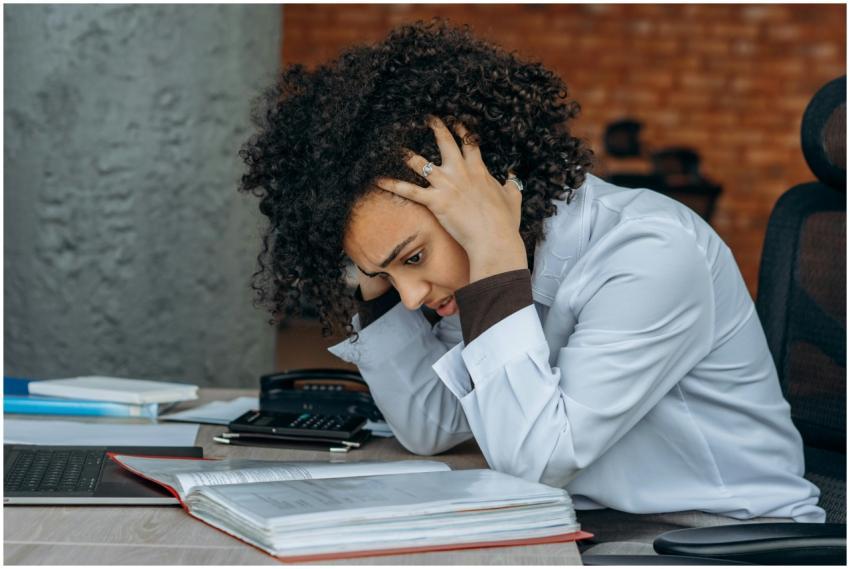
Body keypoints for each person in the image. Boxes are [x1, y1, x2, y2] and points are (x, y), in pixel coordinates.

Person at [238, 20, 825, 535]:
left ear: (484, 188)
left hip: (718, 537)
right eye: (390, 275)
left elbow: (538, 459)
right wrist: (369, 271)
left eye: (412, 258)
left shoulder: (647, 251)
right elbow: (432, 424)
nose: (411, 296)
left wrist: (494, 252)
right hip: (583, 523)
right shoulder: (476, 270)